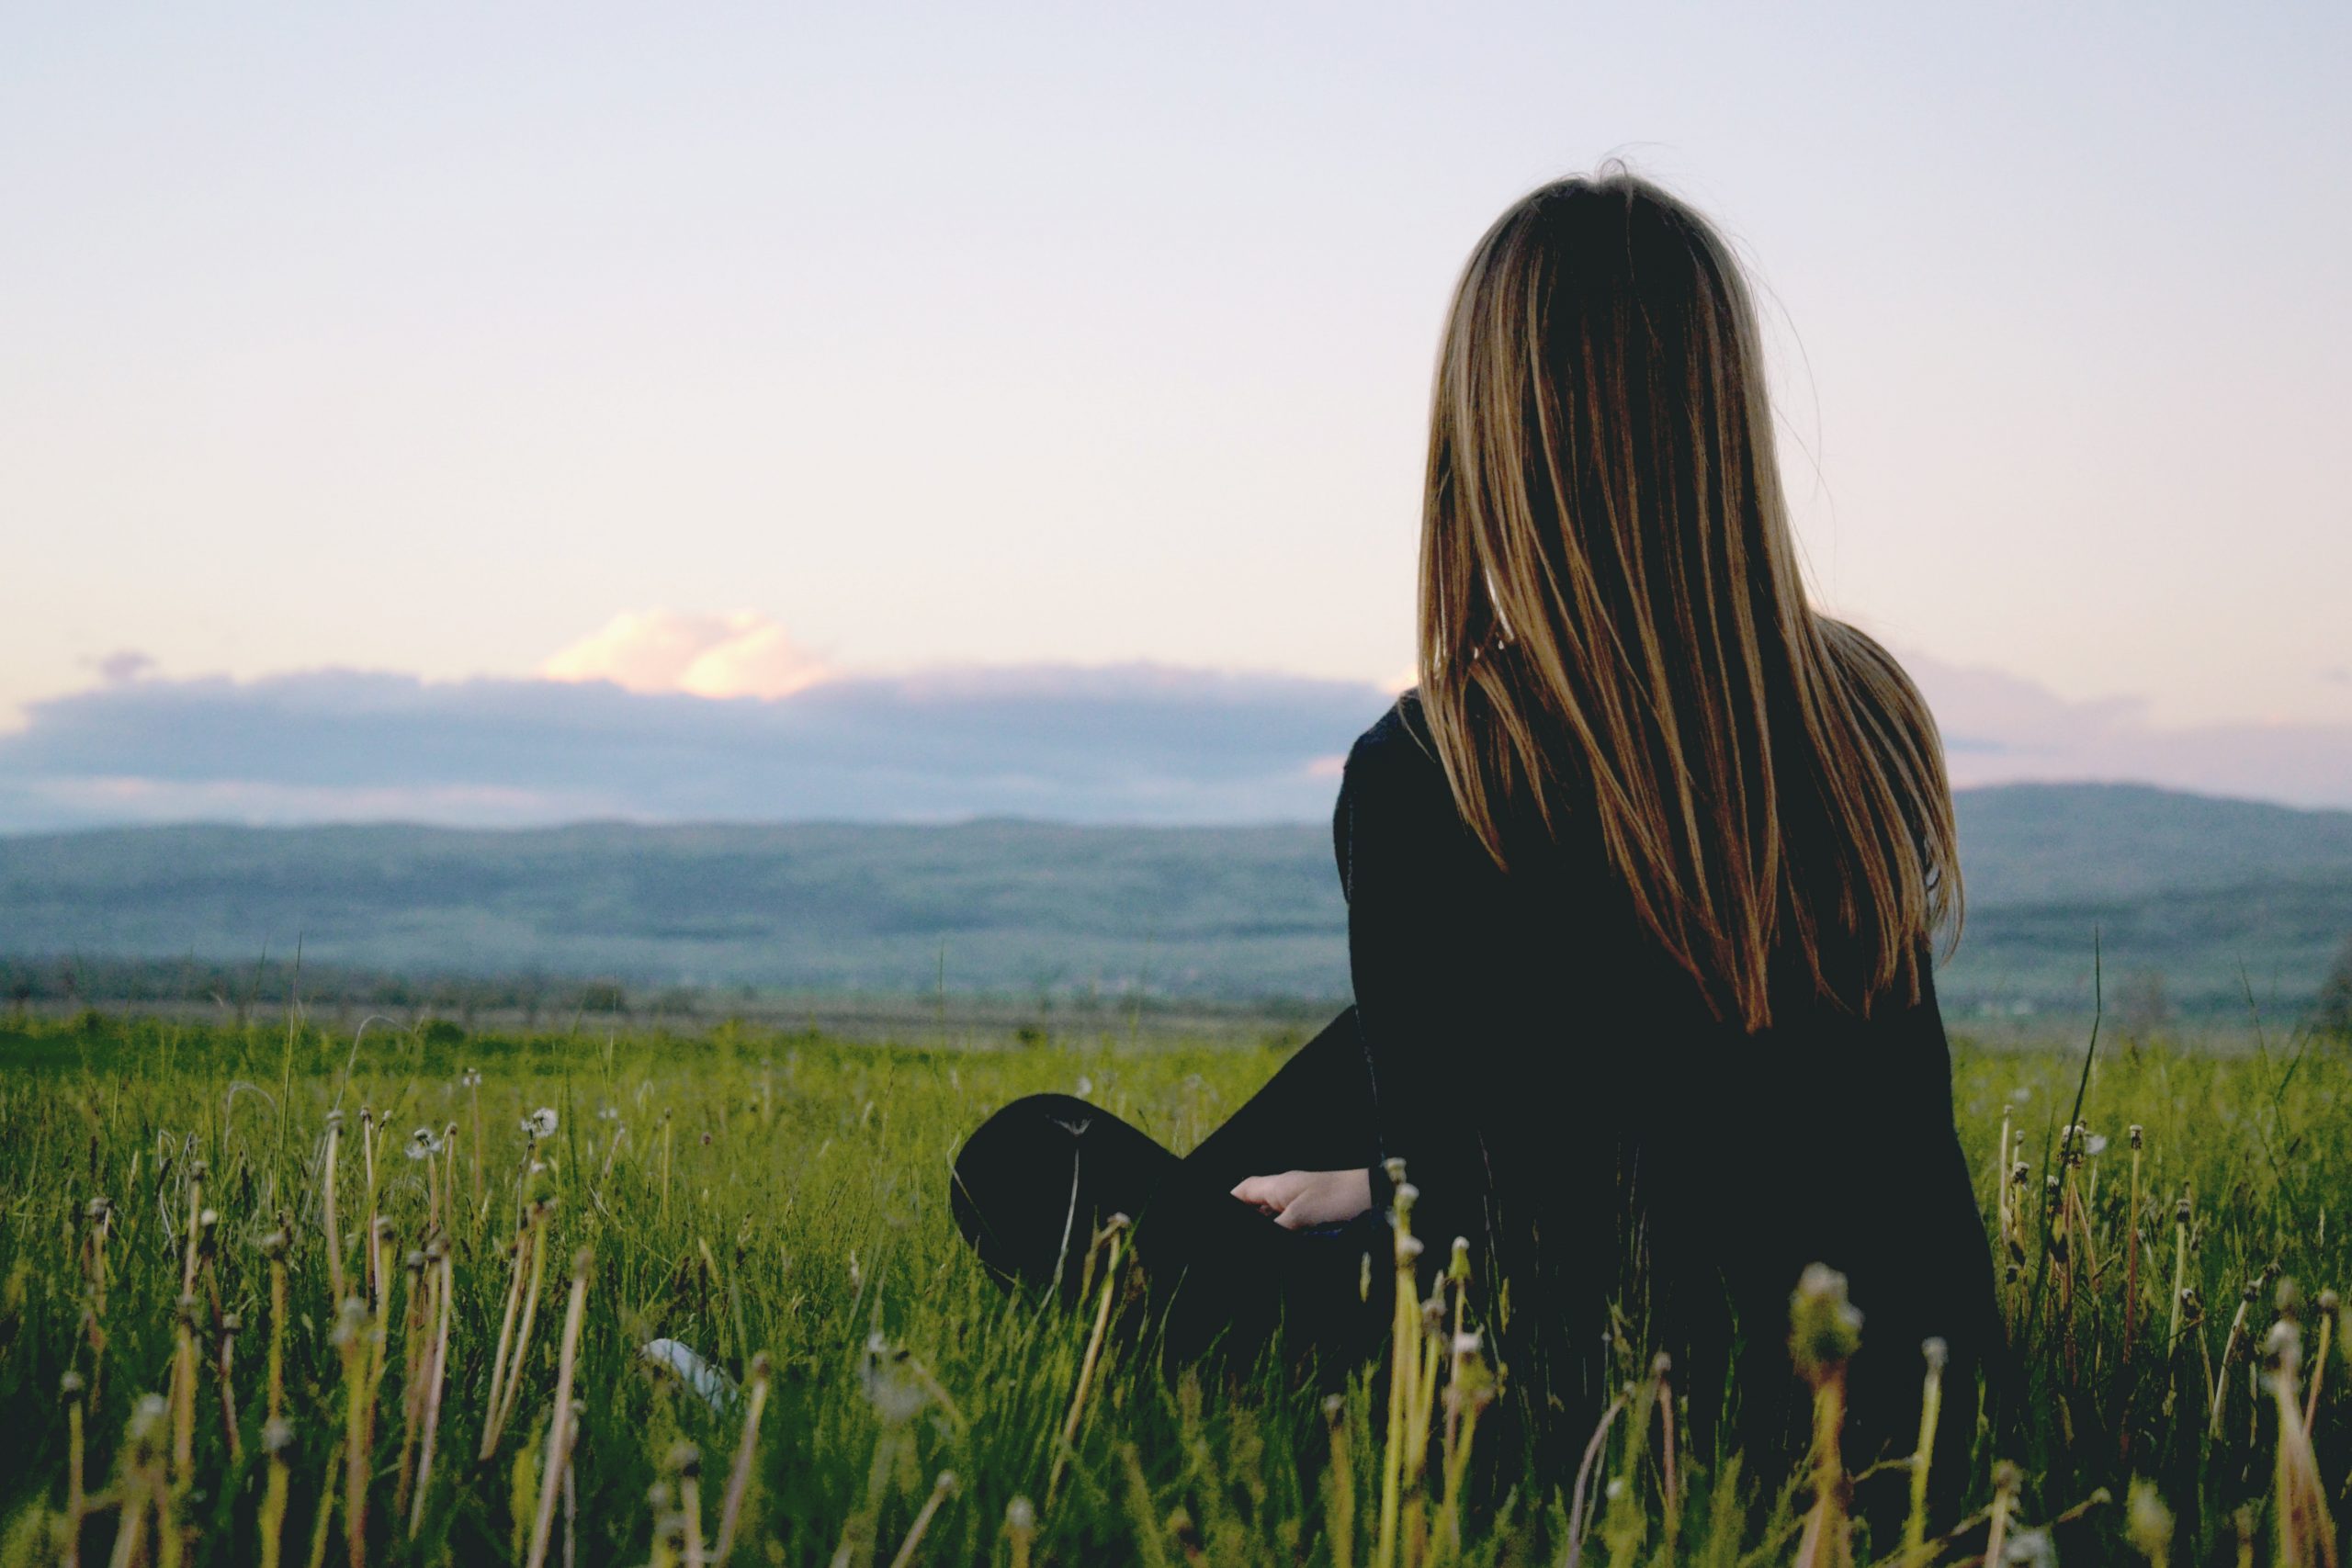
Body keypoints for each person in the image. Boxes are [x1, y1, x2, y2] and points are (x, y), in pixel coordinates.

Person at [948, 166, 2000, 1500]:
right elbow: (1745, 1112)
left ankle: (1180, 1281)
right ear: (1723, 418)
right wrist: (1376, 1176)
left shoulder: (1444, 766)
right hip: (1903, 1394)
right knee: (1368, 1060)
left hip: (1579, 1414)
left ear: (1491, 437)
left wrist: (1388, 1199)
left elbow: (1491, 1260)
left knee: (1024, 1161)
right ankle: (1274, 1205)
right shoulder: (1863, 709)